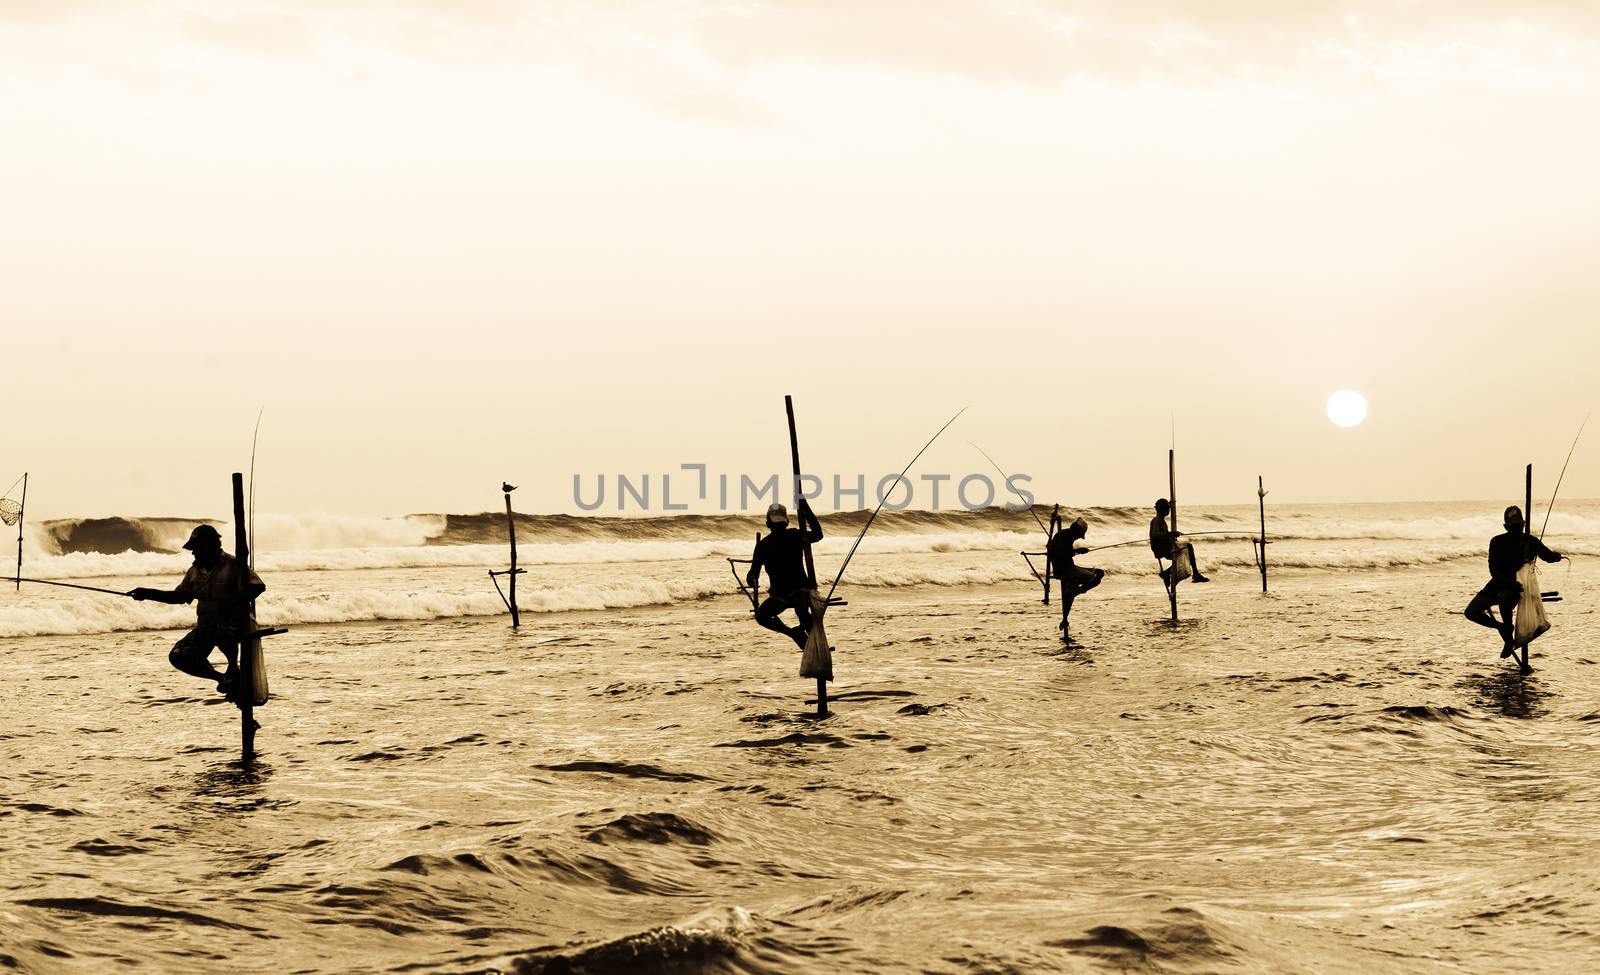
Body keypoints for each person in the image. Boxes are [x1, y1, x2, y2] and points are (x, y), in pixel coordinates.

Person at [130, 524, 265, 696]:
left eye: (196, 549)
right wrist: (146, 593)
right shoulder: (194, 572)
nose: (193, 553)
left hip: (234, 626)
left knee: (220, 630)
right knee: (178, 656)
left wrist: (231, 603)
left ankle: (233, 667)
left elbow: (257, 587)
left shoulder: (233, 565)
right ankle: (222, 678)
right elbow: (178, 597)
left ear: (209, 547)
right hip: (206, 628)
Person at [1464, 505, 1561, 665]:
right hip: (1499, 582)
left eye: (1519, 525)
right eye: (1512, 526)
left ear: (1523, 525)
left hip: (1520, 585)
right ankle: (1504, 628)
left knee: (1504, 598)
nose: (1516, 529)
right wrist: (1509, 583)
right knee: (1471, 612)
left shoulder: (1531, 541)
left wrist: (1556, 557)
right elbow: (1493, 569)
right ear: (1506, 527)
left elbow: (1547, 556)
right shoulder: (1496, 541)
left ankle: (1509, 640)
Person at [747, 499, 824, 649]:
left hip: (800, 590)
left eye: (779, 523)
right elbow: (753, 572)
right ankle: (793, 633)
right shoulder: (764, 545)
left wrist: (806, 510)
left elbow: (818, 535)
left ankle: (816, 644)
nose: (778, 526)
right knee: (761, 616)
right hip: (779, 595)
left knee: (802, 611)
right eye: (776, 523)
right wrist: (752, 580)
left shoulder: (795, 536)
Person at [1046, 516, 1103, 642]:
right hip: (1066, 570)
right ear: (1077, 531)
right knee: (1096, 579)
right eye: (1080, 535)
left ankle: (1072, 596)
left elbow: (1063, 551)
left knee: (1100, 572)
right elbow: (1060, 553)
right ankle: (1074, 592)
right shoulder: (1064, 536)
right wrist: (1077, 551)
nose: (1079, 538)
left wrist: (1077, 551)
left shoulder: (1065, 535)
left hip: (1069, 567)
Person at [1149, 498, 1209, 586]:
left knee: (1185, 555)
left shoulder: (1161, 520)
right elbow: (1155, 535)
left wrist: (1172, 536)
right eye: (1167, 508)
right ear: (1162, 509)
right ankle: (1195, 574)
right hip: (1161, 549)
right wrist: (1170, 534)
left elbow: (1163, 535)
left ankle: (1167, 573)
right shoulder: (1157, 520)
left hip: (1164, 547)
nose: (1169, 510)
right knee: (1188, 547)